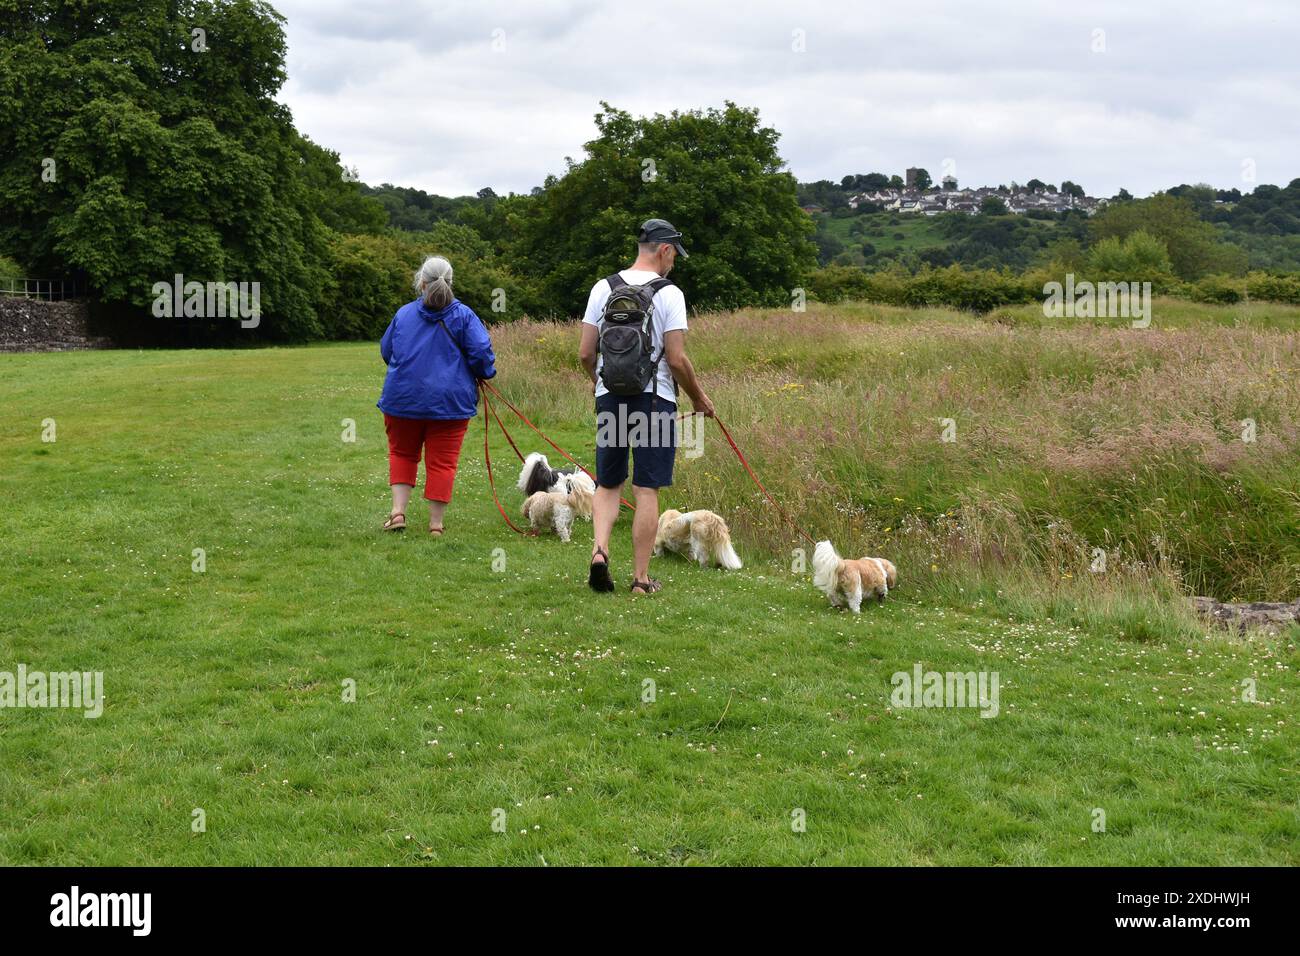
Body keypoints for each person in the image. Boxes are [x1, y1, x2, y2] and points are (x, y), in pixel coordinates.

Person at [578, 219, 715, 595]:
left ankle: (600, 553)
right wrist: (699, 399)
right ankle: (640, 579)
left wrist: (599, 383)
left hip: (611, 398)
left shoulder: (602, 288)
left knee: (607, 483)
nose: (674, 264)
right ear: (665, 250)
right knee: (646, 489)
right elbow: (676, 359)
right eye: (675, 256)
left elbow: (586, 353)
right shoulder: (670, 293)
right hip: (654, 400)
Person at [377, 256, 496, 535]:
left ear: (421, 282)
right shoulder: (465, 315)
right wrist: (483, 373)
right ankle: (435, 525)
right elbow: (481, 354)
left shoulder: (403, 314)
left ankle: (397, 514)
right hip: (450, 403)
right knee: (443, 462)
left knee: (402, 454)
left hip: (402, 399)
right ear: (451, 282)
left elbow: (386, 351)